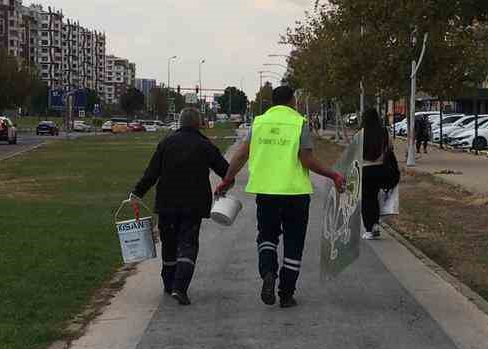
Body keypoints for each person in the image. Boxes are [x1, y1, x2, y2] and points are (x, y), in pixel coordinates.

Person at [217, 84, 345, 309]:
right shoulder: (299, 123)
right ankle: (286, 294)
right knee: (294, 243)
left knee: (267, 236)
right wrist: (332, 174)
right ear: (292, 101)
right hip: (295, 194)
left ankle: (268, 272)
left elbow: (241, 155)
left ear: (273, 103)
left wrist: (227, 179)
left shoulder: (259, 123)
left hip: (267, 193)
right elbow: (307, 160)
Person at [130, 107, 230, 306]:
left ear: (180, 122)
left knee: (169, 243)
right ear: (197, 123)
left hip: (166, 204)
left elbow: (151, 173)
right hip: (194, 205)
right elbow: (226, 171)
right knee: (188, 244)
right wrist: (224, 186)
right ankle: (180, 287)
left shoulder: (166, 143)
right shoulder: (205, 145)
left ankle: (168, 283)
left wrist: (137, 193)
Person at [361, 108, 401, 240]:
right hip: (381, 169)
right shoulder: (384, 132)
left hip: (365, 170)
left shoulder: (360, 134)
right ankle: (376, 224)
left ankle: (368, 229)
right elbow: (390, 148)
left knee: (367, 199)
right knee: (375, 197)